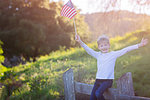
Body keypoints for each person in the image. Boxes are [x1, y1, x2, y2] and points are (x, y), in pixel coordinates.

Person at [75, 34, 148, 100]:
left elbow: (126, 49)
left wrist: (139, 45)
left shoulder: (113, 54)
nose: (104, 47)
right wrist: (80, 41)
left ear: (109, 45)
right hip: (98, 80)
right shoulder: (98, 55)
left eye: (105, 45)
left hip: (107, 81)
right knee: (92, 98)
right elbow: (88, 49)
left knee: (98, 94)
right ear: (99, 47)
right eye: (101, 46)